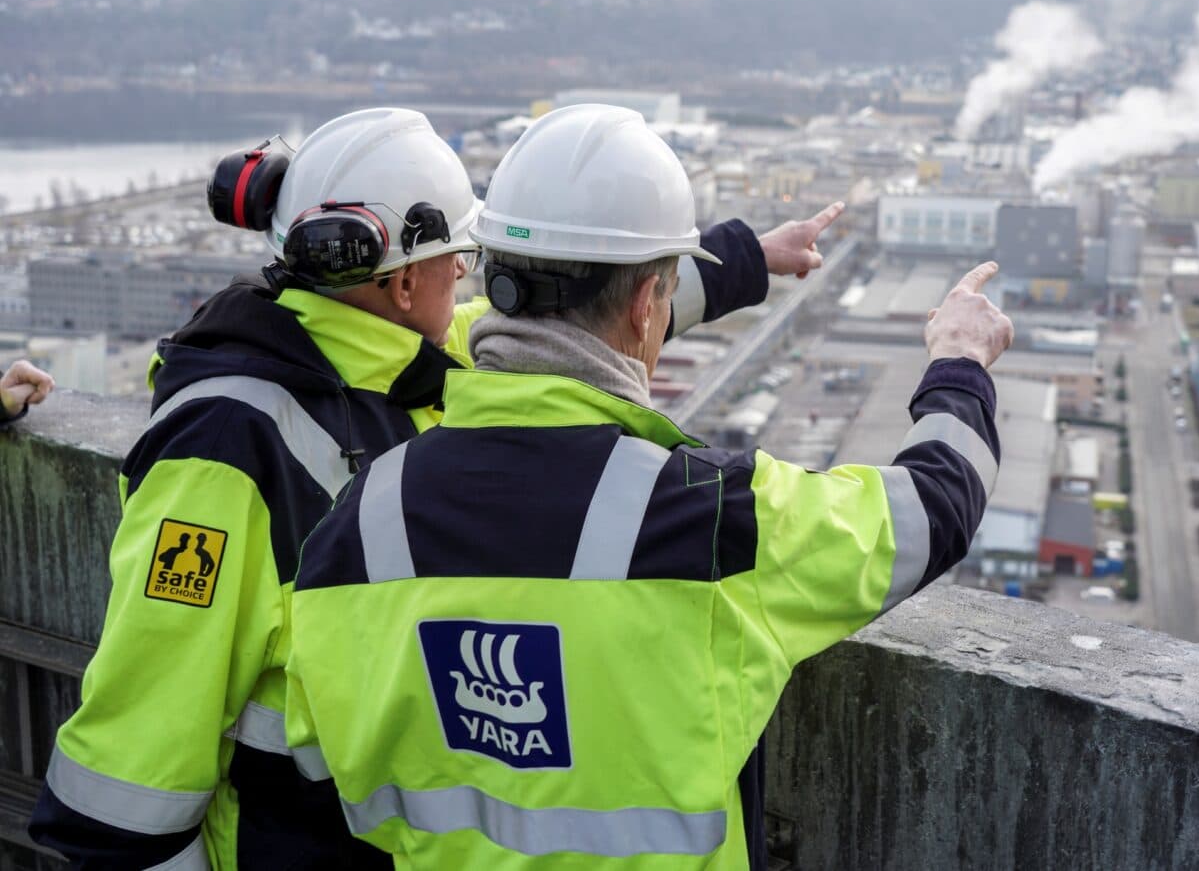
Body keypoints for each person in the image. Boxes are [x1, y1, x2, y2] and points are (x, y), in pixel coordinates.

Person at [32, 105, 840, 870]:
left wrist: (744, 259)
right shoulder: (225, 448)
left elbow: (562, 329)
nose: (469, 275)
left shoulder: (385, 353)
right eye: (458, 258)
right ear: (401, 283)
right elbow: (130, 772)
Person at [283, 104, 1013, 869]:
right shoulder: (715, 520)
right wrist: (959, 361)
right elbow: (932, 509)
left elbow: (314, 751)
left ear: (492, 281)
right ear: (644, 306)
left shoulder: (351, 530)